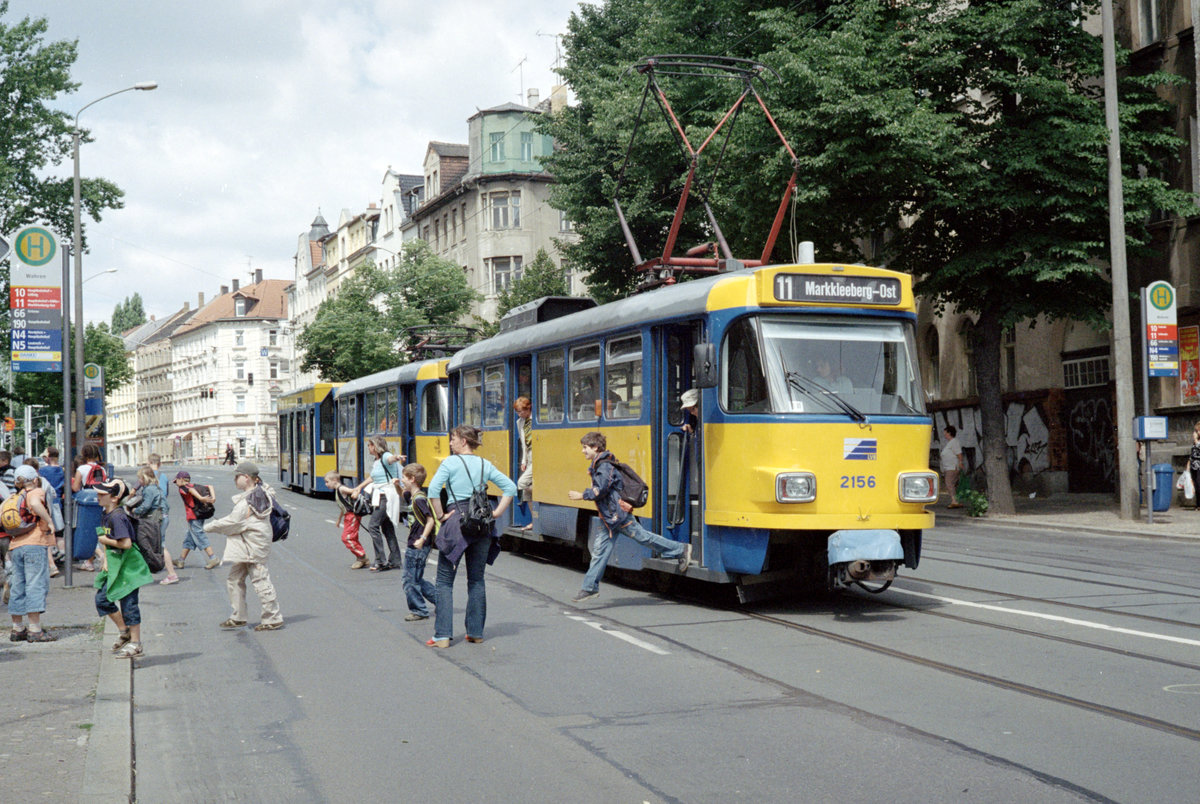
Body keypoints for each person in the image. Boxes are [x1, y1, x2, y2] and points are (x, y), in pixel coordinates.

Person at [568, 431, 691, 603]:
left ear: (595, 448)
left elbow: (600, 490)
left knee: (643, 538)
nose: (583, 451)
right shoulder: (600, 464)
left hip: (618, 516)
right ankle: (589, 588)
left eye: (585, 447)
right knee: (599, 553)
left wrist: (581, 495)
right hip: (610, 518)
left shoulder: (604, 466)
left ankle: (681, 550)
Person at [426, 425, 516, 647]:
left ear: (464, 440)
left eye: (453, 439)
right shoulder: (485, 464)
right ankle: (475, 632)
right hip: (482, 524)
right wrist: (496, 513)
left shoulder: (450, 463)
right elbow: (511, 488)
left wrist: (441, 515)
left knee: (445, 581)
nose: (450, 443)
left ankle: (442, 636)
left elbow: (433, 491)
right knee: (476, 579)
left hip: (457, 520)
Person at [206, 462, 283, 631]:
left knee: (260, 579)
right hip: (248, 544)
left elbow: (234, 522)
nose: (235, 480)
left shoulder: (248, 500)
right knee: (234, 578)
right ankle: (238, 616)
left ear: (246, 477)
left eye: (237, 476)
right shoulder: (260, 492)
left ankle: (273, 618)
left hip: (252, 545)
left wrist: (209, 527)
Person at [94, 478, 154, 659]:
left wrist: (106, 541)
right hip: (115, 565)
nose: (98, 496)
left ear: (114, 498)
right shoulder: (106, 513)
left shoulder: (118, 517)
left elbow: (126, 543)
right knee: (102, 599)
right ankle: (125, 631)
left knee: (129, 605)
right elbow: (104, 535)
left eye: (102, 494)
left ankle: (136, 644)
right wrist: (105, 558)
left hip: (128, 567)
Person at [7, 465, 58, 643]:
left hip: (16, 544)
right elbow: (36, 504)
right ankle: (35, 629)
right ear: (35, 479)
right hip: (35, 544)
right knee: (35, 583)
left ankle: (17, 628)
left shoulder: (14, 497)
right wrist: (49, 521)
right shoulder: (35, 492)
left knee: (18, 584)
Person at [350, 436, 405, 572]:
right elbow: (372, 477)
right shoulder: (377, 461)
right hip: (381, 495)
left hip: (385, 496)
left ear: (375, 446)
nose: (368, 448)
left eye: (369, 445)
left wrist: (397, 457)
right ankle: (395, 560)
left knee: (373, 526)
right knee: (387, 529)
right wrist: (359, 487)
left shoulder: (386, 456)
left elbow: (391, 458)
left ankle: (380, 560)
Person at [399, 463, 438, 622]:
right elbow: (403, 496)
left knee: (409, 580)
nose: (402, 480)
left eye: (404, 478)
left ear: (412, 479)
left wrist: (422, 539)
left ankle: (419, 610)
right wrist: (397, 486)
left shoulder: (419, 499)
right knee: (416, 578)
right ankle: (441, 600)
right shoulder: (413, 496)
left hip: (418, 544)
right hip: (415, 543)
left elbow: (430, 520)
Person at [130, 465, 173, 585]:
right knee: (155, 545)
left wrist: (135, 511)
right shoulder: (156, 487)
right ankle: (145, 573)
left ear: (145, 478)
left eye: (140, 478)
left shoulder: (149, 489)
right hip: (162, 516)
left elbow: (146, 506)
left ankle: (171, 574)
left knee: (160, 546)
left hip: (156, 518)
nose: (139, 481)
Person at [172, 471, 220, 570]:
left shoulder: (183, 488)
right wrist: (213, 498)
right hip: (200, 515)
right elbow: (210, 486)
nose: (176, 483)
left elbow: (190, 490)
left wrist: (201, 498)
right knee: (189, 538)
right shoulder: (194, 485)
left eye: (176, 481)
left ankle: (213, 558)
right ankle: (181, 560)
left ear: (181, 479)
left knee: (199, 535)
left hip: (193, 516)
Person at [326, 470, 369, 569]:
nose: (326, 484)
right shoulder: (338, 490)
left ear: (335, 480)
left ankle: (362, 557)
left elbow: (354, 491)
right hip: (347, 516)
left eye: (327, 481)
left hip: (352, 516)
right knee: (351, 537)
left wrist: (355, 493)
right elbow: (343, 506)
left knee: (347, 538)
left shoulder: (342, 489)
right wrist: (339, 519)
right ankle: (360, 556)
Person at [148, 455, 180, 583]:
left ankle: (172, 574)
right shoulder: (164, 476)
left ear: (148, 463)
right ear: (160, 464)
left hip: (154, 514)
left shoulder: (147, 477)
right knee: (153, 543)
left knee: (160, 545)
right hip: (164, 512)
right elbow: (165, 494)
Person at [513, 396, 534, 530]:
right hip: (529, 455)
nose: (520, 415)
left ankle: (541, 494)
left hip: (538, 454)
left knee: (522, 483)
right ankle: (534, 520)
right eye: (518, 412)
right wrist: (523, 460)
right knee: (526, 493)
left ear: (528, 408)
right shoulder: (519, 422)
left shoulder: (535, 420)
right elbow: (523, 443)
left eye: (522, 411)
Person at [941, 425, 966, 509]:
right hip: (949, 467)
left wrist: (960, 462)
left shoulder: (954, 442)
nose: (944, 434)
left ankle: (954, 501)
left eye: (945, 432)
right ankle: (956, 500)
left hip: (952, 467)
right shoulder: (950, 443)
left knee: (949, 483)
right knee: (952, 484)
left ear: (949, 433)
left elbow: (959, 453)